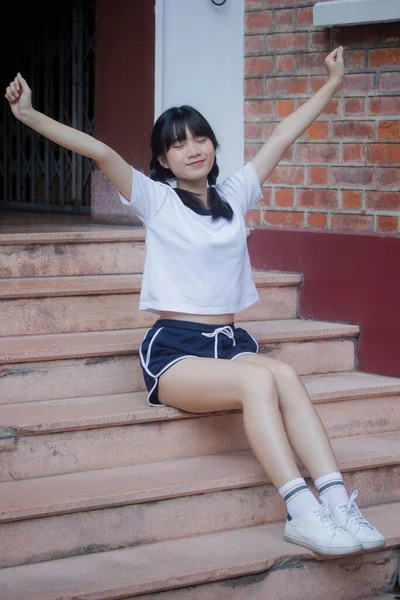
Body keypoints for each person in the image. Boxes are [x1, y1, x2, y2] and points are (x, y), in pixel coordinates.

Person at [5, 46, 386, 557]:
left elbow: (282, 135)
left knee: (285, 375)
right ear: (162, 160)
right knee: (259, 379)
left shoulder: (235, 194)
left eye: (200, 138)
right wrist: (28, 114)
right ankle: (302, 512)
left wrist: (332, 84)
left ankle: (337, 503)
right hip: (177, 350)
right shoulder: (156, 200)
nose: (192, 149)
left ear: (212, 144)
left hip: (231, 341)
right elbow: (99, 152)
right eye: (177, 145)